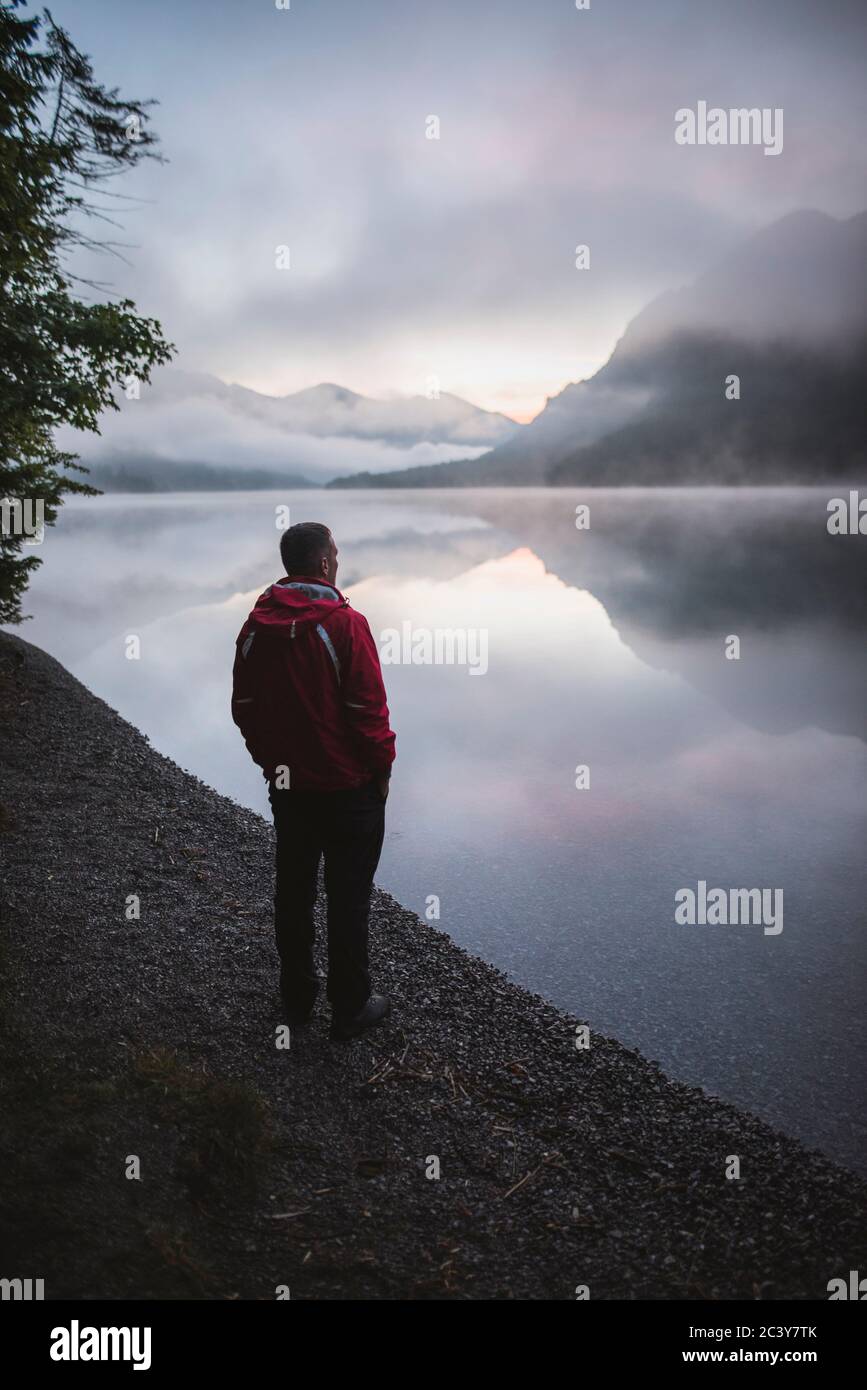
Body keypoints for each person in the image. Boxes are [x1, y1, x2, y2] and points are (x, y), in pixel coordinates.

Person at [231, 522, 395, 1041]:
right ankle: (349, 1007)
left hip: (290, 786)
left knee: (294, 890)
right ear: (324, 564)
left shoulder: (255, 627)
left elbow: (244, 709)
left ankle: (298, 998)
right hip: (349, 789)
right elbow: (367, 711)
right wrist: (381, 769)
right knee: (349, 897)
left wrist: (271, 762)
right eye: (337, 554)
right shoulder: (346, 625)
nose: (339, 562)